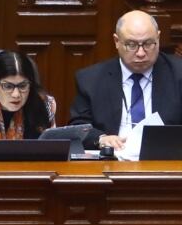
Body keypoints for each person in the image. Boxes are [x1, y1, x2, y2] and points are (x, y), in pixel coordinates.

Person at [71, 10, 182, 150]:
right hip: (111, 161)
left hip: (164, 159)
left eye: (148, 43)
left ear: (158, 38)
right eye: (131, 45)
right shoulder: (90, 80)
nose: (141, 53)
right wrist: (102, 139)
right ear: (117, 41)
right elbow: (78, 127)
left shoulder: (178, 74)